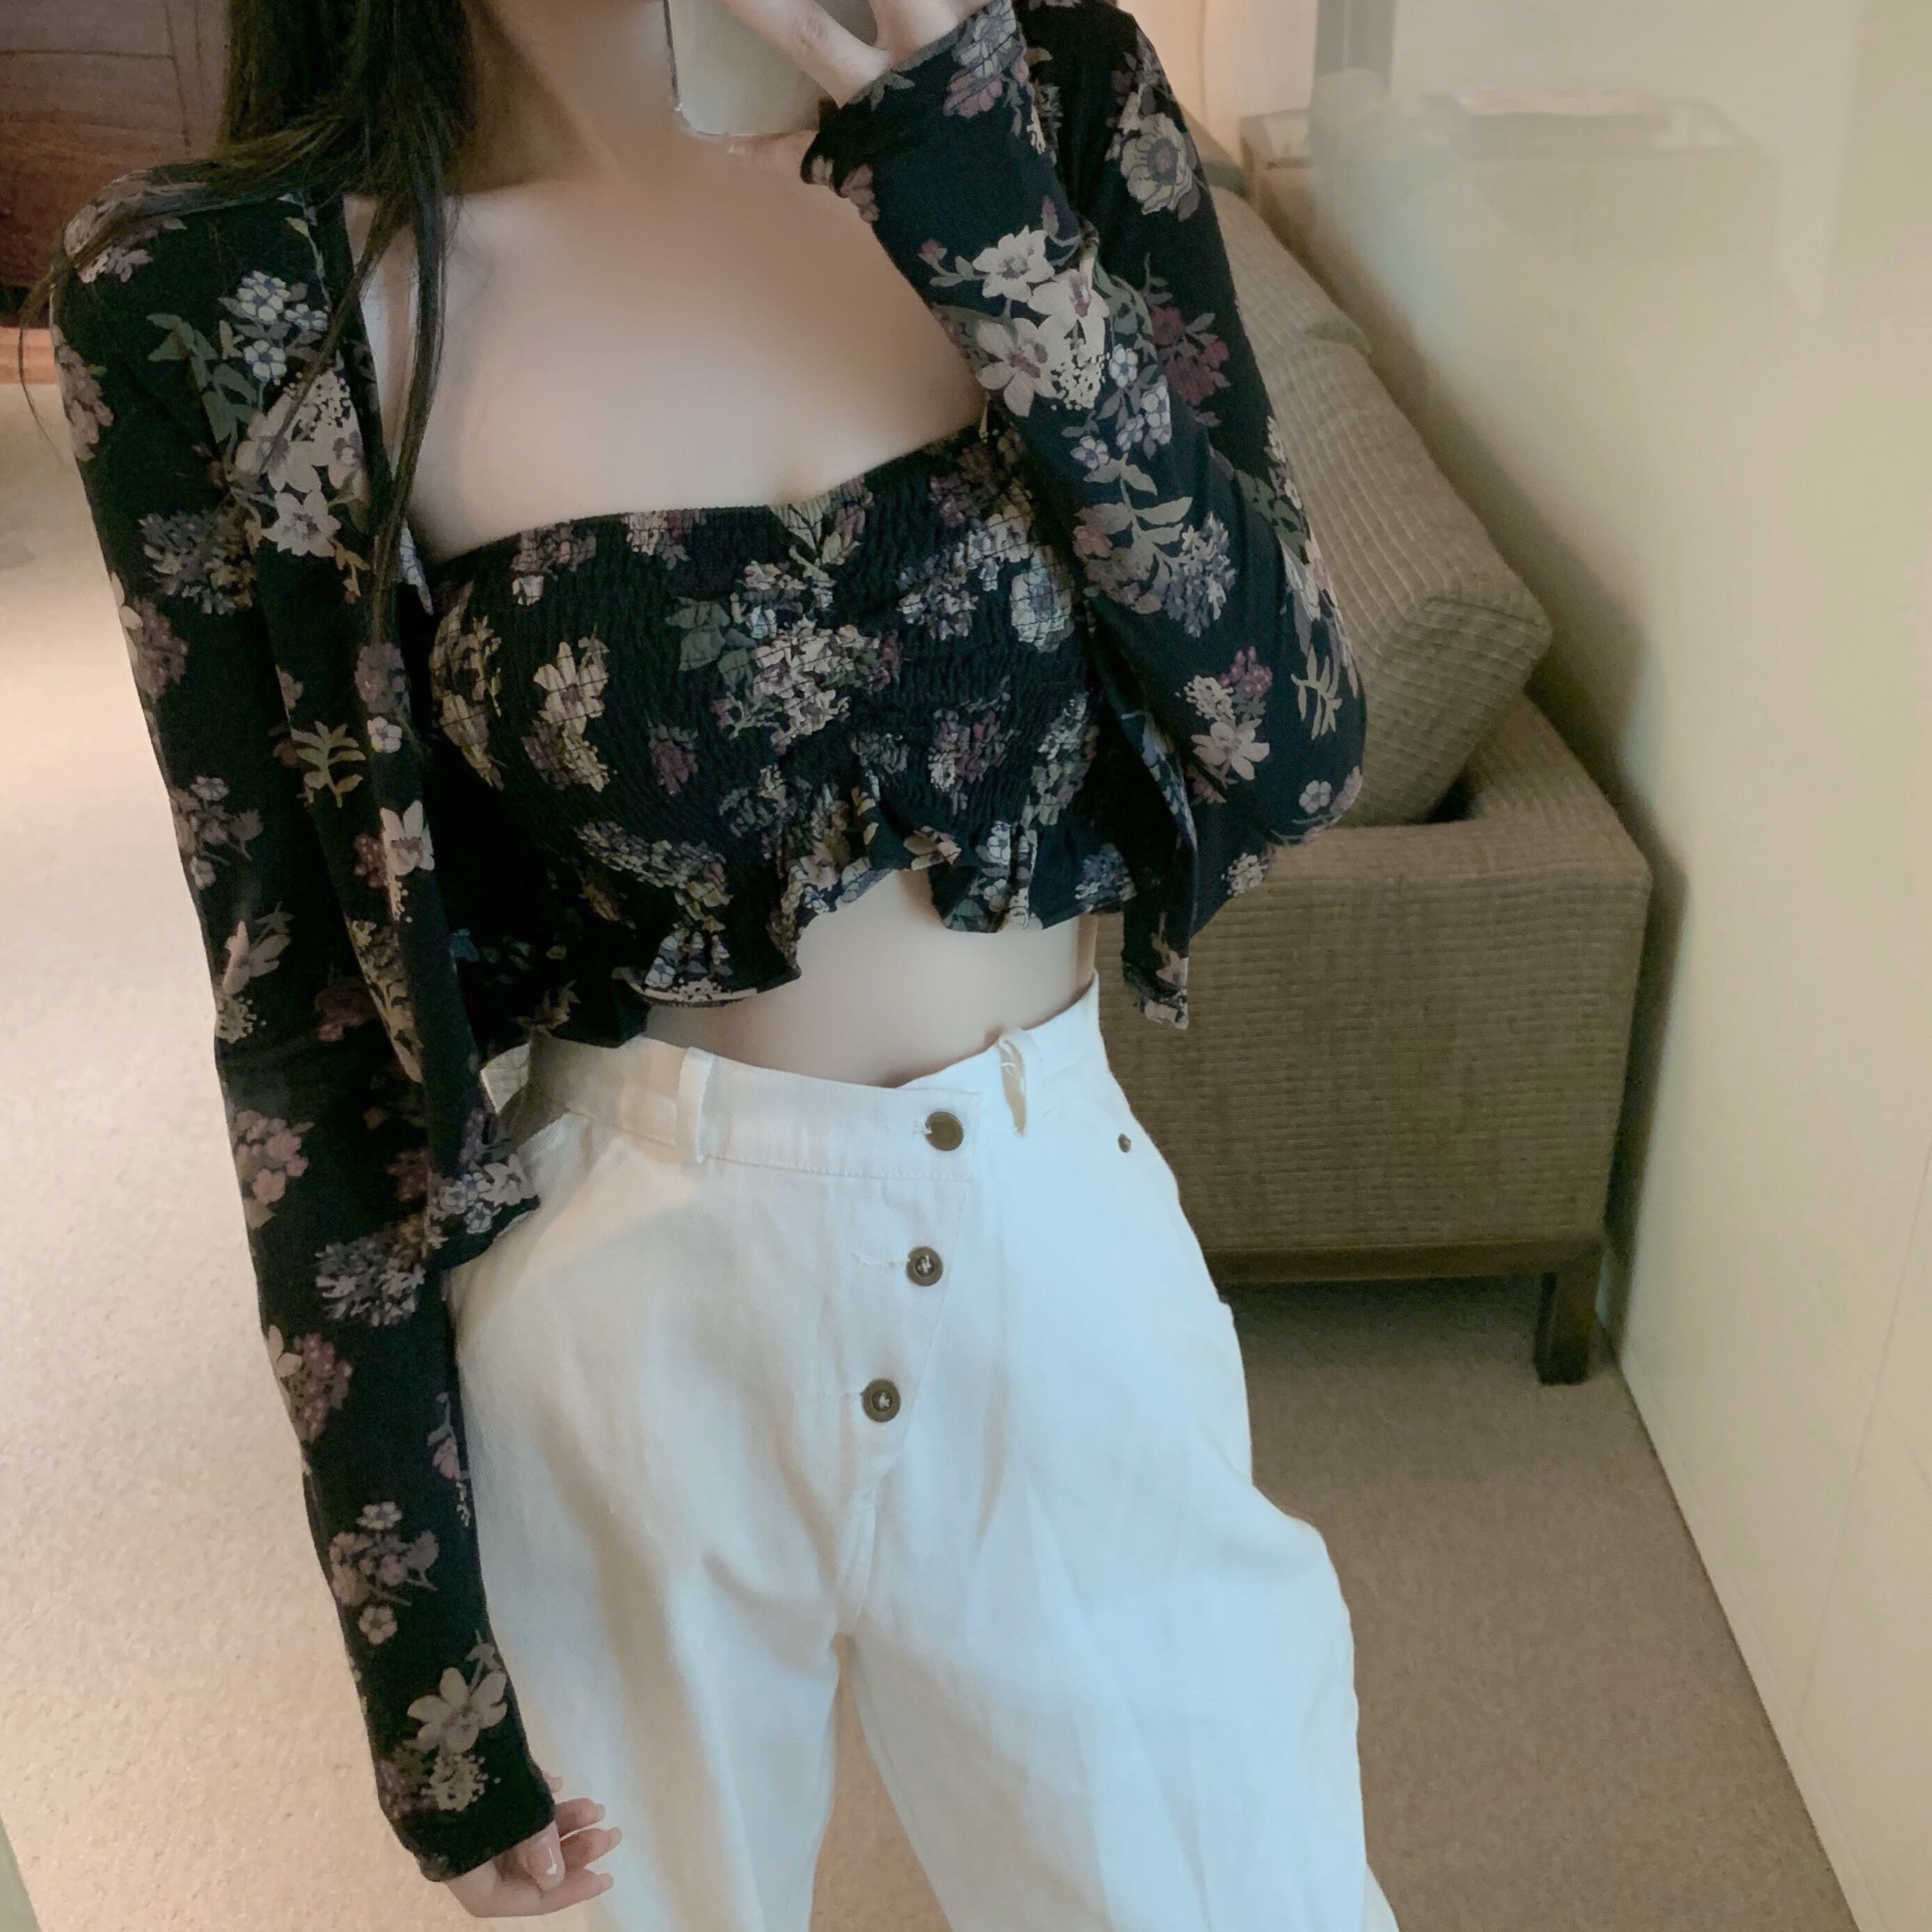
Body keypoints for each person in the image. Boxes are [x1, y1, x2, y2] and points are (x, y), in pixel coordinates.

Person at [39, 0, 1393, 1923]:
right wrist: (418, 1666)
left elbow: (1295, 737)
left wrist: (963, 163)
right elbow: (305, 1014)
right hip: (622, 1320)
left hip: (1058, 1265)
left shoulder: (1056, 96)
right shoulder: (232, 296)